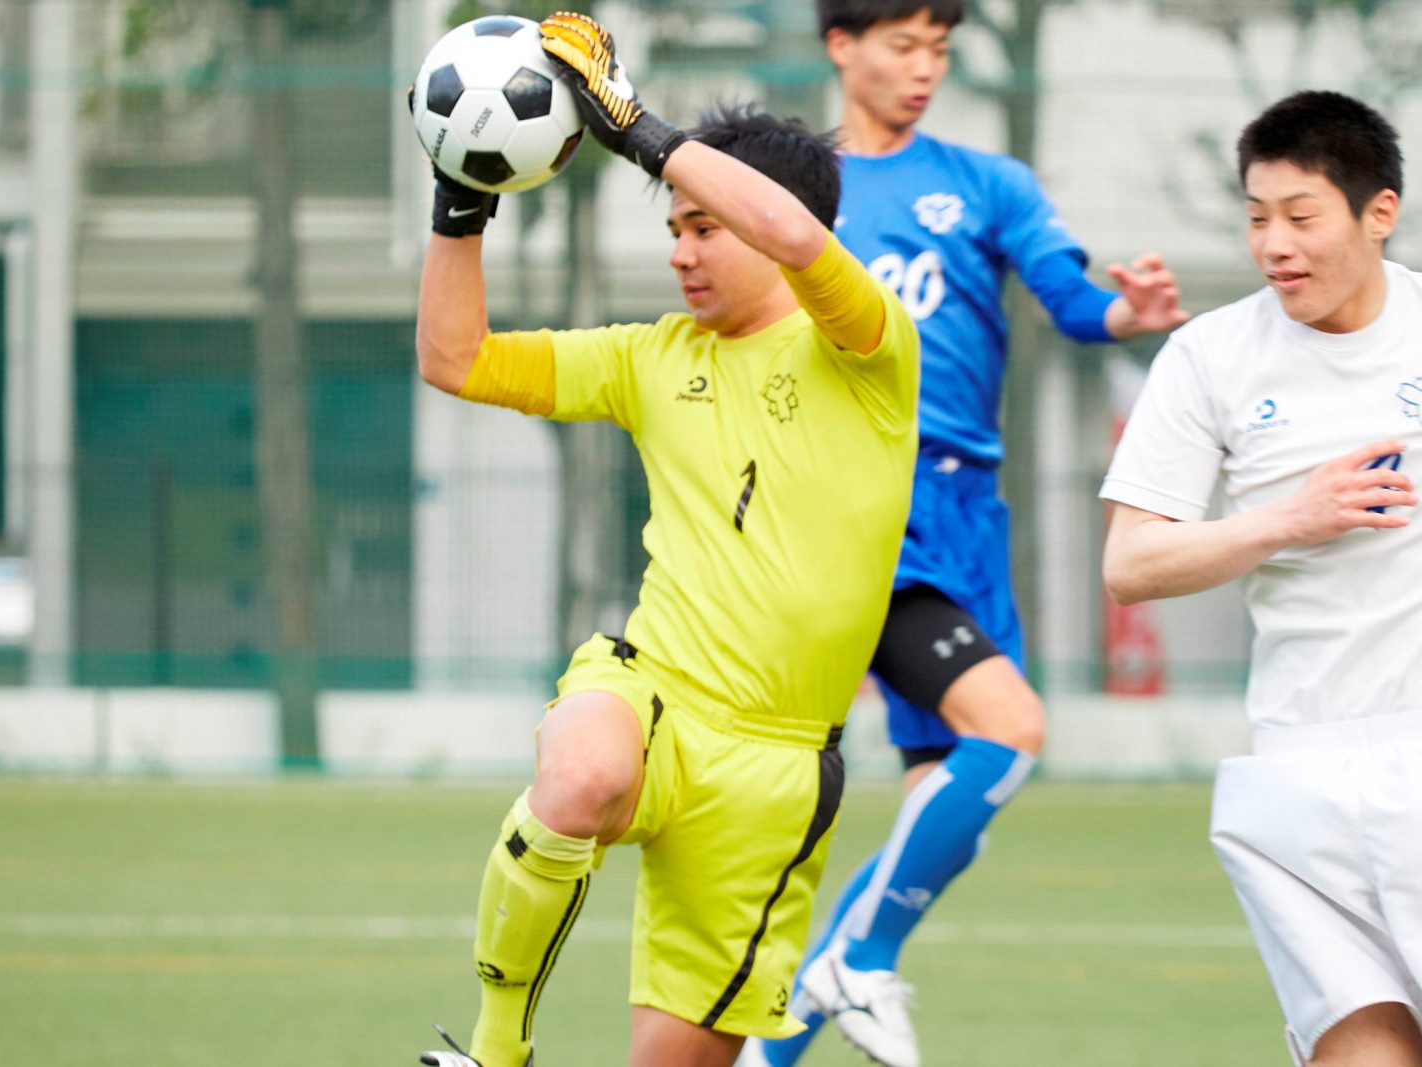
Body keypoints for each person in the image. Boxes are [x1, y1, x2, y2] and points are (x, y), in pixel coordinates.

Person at [411, 13, 921, 1067]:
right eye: (673, 227)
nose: (683, 250)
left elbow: (792, 239)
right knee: (582, 772)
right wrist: (460, 201)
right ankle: (494, 1052)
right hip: (658, 689)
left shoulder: (868, 348)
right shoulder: (650, 356)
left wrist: (639, 128)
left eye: (703, 226)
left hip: (777, 771)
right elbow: (455, 359)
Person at [1099, 90, 1422, 1067]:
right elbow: (1131, 565)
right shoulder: (1207, 355)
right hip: (1292, 774)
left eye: (1300, 215)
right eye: (1256, 215)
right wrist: (1290, 516)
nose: (1274, 242)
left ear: (1378, 213)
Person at [746, 3, 1186, 1065]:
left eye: (939, 49)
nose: (923, 68)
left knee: (951, 805)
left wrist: (1124, 312)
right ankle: (855, 963)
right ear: (840, 47)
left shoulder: (988, 183)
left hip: (968, 521)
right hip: (862, 509)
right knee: (1010, 729)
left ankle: (779, 1042)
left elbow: (1072, 301)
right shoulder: (791, 194)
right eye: (902, 45)